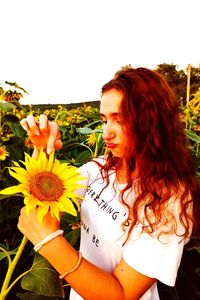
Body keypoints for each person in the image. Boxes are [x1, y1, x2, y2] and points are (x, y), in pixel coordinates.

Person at [18, 67, 200, 300]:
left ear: (151, 121)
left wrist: (49, 243)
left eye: (120, 120)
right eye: (104, 120)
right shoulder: (100, 167)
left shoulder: (168, 198)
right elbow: (46, 197)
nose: (106, 133)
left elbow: (122, 294)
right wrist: (43, 149)